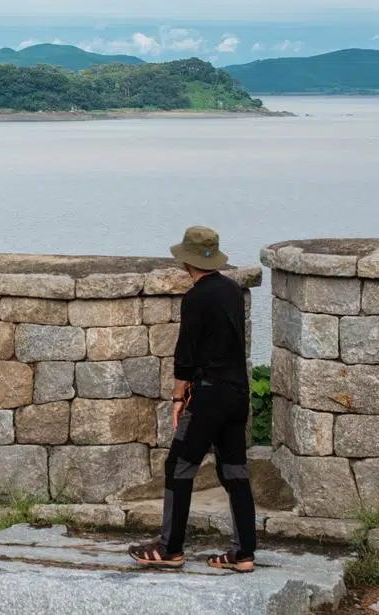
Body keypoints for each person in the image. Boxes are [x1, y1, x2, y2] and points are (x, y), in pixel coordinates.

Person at [129, 225, 257, 572]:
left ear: (186, 260)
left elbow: (186, 352)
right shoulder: (232, 290)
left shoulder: (196, 297)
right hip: (237, 393)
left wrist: (177, 397)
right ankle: (243, 552)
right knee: (234, 471)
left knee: (179, 466)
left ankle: (170, 548)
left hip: (210, 395)